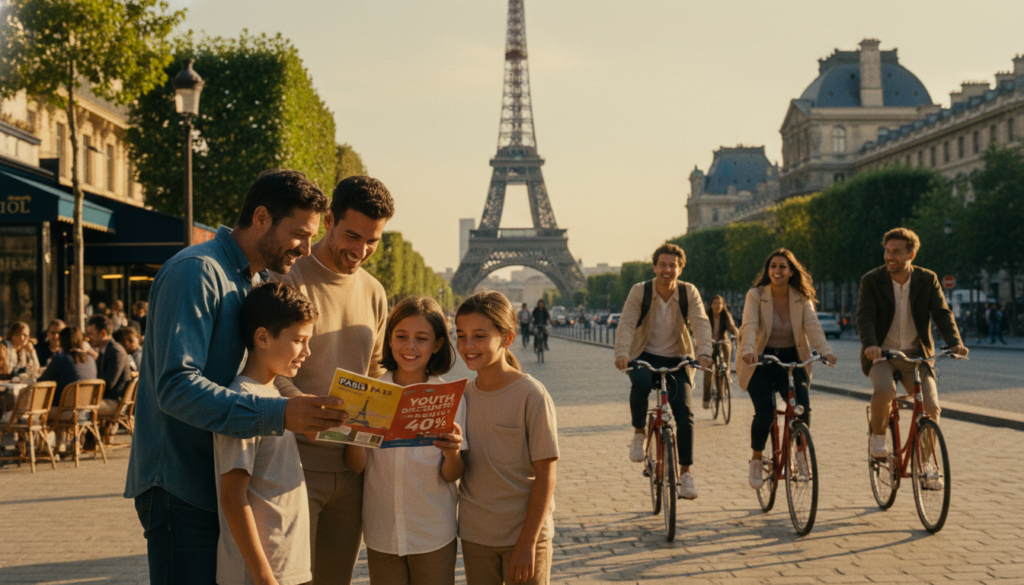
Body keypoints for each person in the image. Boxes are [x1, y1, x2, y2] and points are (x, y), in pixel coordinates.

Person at [123, 168, 347, 585]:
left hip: (211, 480)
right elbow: (175, 387)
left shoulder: (252, 280)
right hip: (180, 484)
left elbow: (253, 373)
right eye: (299, 233)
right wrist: (280, 415)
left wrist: (310, 414)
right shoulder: (196, 272)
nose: (307, 247)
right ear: (261, 217)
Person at [272, 175, 395, 585]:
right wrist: (301, 410)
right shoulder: (290, 278)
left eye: (373, 241)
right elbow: (265, 366)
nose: (360, 251)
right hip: (294, 464)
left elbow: (376, 369)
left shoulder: (376, 292)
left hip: (354, 467)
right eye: (352, 236)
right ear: (328, 220)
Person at [345, 296, 465, 585]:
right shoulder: (370, 394)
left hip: (433, 530)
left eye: (421, 339)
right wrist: (354, 434)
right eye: (401, 336)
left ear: (437, 344)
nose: (410, 346)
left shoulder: (451, 399)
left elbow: (453, 474)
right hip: (382, 529)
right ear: (389, 340)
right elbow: (357, 466)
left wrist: (452, 454)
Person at [214, 282, 318, 585]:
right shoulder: (243, 402)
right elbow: (233, 497)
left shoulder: (271, 393)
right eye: (299, 340)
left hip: (284, 566)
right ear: (262, 337)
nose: (307, 351)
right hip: (259, 574)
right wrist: (263, 575)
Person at [455, 292, 558, 585]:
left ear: (507, 338)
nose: (468, 346)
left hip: (525, 536)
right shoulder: (460, 397)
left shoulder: (532, 394)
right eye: (461, 336)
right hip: (476, 536)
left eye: (479, 336)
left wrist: (527, 542)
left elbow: (546, 476)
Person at [613, 243, 712, 500]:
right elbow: (626, 322)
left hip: (677, 357)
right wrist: (622, 353)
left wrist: (704, 353)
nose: (667, 270)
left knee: (685, 413)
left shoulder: (688, 292)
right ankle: (638, 432)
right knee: (641, 384)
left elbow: (700, 322)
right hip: (644, 354)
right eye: (663, 265)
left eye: (673, 265)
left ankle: (686, 473)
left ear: (680, 268)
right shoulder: (640, 291)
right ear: (655, 266)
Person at [858, 228, 968, 460]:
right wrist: (870, 344)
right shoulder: (871, 280)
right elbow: (865, 316)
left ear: (911, 255)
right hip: (882, 356)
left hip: (916, 356)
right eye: (887, 251)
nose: (889, 257)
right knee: (885, 390)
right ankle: (877, 437)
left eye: (896, 252)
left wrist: (955, 343)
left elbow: (941, 313)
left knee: (931, 407)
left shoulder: (927, 279)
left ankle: (926, 464)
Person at [738, 248, 837, 489]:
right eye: (773, 266)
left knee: (802, 404)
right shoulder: (756, 295)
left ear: (791, 271)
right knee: (764, 411)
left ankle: (801, 454)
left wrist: (825, 350)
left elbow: (812, 326)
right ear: (767, 270)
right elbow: (749, 325)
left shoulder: (800, 297)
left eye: (782, 267)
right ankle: (756, 459)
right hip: (760, 360)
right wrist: (748, 351)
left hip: (792, 361)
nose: (777, 271)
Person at [37, 325, 97, 408]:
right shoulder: (91, 359)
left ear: (62, 341)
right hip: (86, 409)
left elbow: (41, 382)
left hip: (62, 410)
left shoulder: (61, 358)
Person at [85, 314, 133, 416]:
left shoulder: (116, 351)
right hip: (106, 399)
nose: (88, 338)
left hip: (116, 402)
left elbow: (109, 383)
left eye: (91, 334)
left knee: (79, 409)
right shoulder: (104, 350)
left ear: (103, 333)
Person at [702, 295, 738, 410]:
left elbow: (732, 328)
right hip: (710, 343)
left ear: (723, 305)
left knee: (725, 359)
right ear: (711, 305)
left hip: (723, 341)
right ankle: (706, 398)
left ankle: (725, 375)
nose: (717, 306)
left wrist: (738, 336)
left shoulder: (726, 315)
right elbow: (702, 328)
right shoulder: (707, 316)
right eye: (715, 303)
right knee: (708, 370)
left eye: (719, 303)